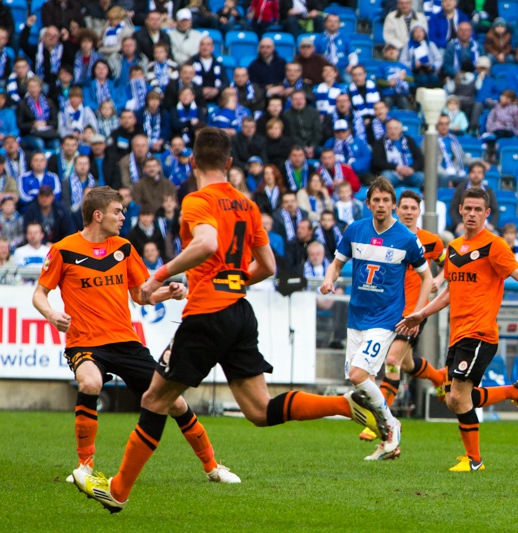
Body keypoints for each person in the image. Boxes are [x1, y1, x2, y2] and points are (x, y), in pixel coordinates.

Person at [72, 129, 387, 512]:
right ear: (229, 164)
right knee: (259, 410)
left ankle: (118, 491)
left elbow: (206, 244)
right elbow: (268, 266)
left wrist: (161, 274)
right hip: (240, 311)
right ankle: (342, 404)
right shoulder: (247, 204)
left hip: (206, 314)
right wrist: (230, 280)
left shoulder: (197, 200)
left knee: (154, 400)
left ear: (192, 163)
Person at [32, 184, 239, 485]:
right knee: (90, 382)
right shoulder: (63, 249)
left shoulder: (124, 248)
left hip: (126, 342)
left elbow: (141, 295)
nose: (123, 216)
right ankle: (84, 466)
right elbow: (39, 294)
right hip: (85, 342)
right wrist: (51, 314)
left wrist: (170, 292)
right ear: (98, 215)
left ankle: (213, 467)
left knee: (176, 402)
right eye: (118, 211)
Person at [398, 186, 518, 472]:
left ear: (487, 213)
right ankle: (515, 391)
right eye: (468, 208)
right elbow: (449, 293)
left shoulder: (495, 245)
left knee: (456, 397)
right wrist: (422, 313)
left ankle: (475, 460)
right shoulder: (453, 248)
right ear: (460, 210)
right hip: (457, 334)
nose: (472, 214)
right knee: (456, 399)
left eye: (479, 209)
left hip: (480, 334)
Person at [320, 177, 432, 460]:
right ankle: (387, 441)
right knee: (359, 381)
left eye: (386, 201)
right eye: (376, 200)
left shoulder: (407, 239)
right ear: (368, 203)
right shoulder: (355, 230)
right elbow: (336, 263)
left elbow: (427, 276)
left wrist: (418, 314)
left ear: (392, 205)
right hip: (356, 316)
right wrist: (328, 279)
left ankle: (392, 425)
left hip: (386, 319)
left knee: (359, 375)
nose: (381, 205)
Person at [358, 190, 447, 442]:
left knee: (393, 360)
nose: (408, 212)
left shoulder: (431, 241)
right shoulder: (388, 238)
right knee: (406, 364)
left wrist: (439, 279)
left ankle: (380, 421)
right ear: (397, 210)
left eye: (413, 208)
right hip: (387, 311)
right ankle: (439, 376)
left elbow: (449, 261)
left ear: (419, 212)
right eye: (404, 207)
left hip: (414, 312)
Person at [371, 119, 425, 187]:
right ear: (386, 130)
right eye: (390, 128)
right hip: (392, 173)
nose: (393, 131)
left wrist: (412, 169)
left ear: (400, 130)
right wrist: (396, 168)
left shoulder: (409, 140)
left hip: (409, 173)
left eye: (395, 128)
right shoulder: (380, 142)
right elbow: (377, 161)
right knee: (386, 176)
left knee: (421, 177)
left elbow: (420, 159)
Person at [449, 162, 499, 234]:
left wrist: (492, 225)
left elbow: (496, 211)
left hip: (484, 226)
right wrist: (459, 223)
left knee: (495, 236)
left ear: (483, 175)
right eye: (473, 172)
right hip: (465, 225)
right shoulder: (461, 188)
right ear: (469, 173)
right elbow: (453, 210)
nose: (476, 175)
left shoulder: (488, 191)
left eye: (479, 172)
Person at [281, 90, 323, 160]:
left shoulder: (313, 112)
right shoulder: (286, 115)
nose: (299, 101)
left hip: (314, 146)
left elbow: (318, 131)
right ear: (291, 102)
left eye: (301, 99)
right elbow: (291, 134)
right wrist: (303, 147)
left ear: (305, 100)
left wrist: (312, 146)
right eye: (296, 99)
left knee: (323, 152)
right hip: (296, 146)